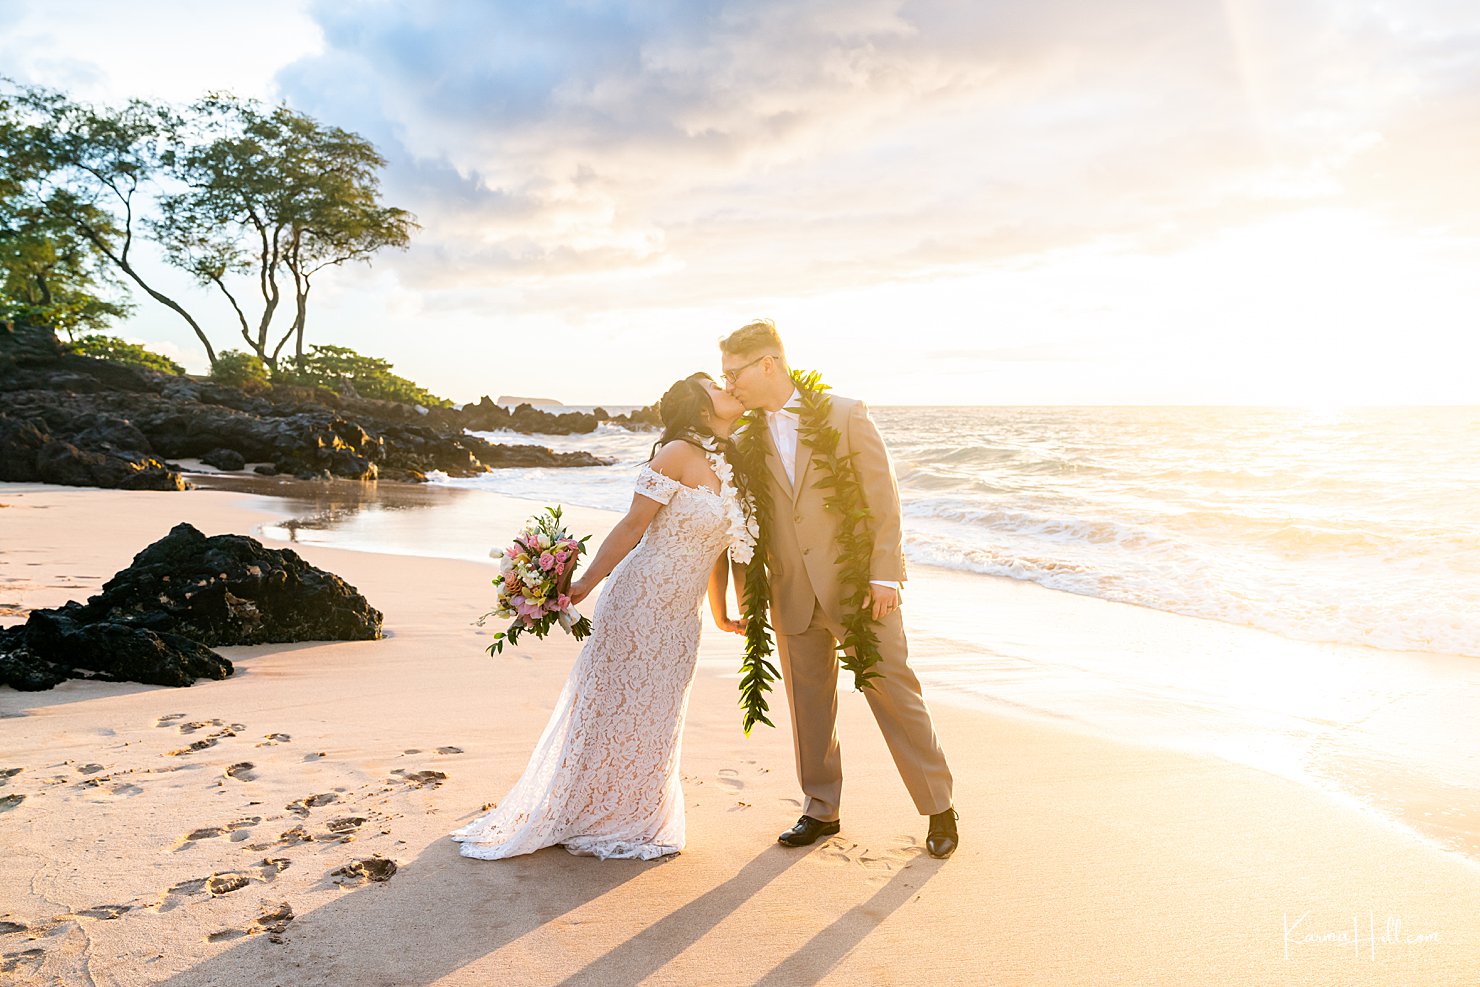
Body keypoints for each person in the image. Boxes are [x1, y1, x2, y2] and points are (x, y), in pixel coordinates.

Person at [450, 373, 750, 860]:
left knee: (658, 712)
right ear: (699, 407)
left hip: (682, 613)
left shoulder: (733, 461)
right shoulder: (676, 452)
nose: (728, 387)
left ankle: (635, 813)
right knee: (611, 706)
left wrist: (721, 613)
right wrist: (585, 584)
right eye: (716, 384)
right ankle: (584, 807)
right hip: (639, 599)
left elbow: (720, 548)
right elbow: (633, 525)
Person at [719, 320, 959, 858]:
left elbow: (883, 497)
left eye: (734, 372)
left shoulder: (845, 415)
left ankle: (939, 806)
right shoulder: (742, 439)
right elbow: (742, 524)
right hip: (790, 592)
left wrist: (884, 574)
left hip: (857, 588)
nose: (729, 384)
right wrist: (748, 595)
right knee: (809, 707)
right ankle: (820, 808)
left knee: (895, 693)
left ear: (768, 364)